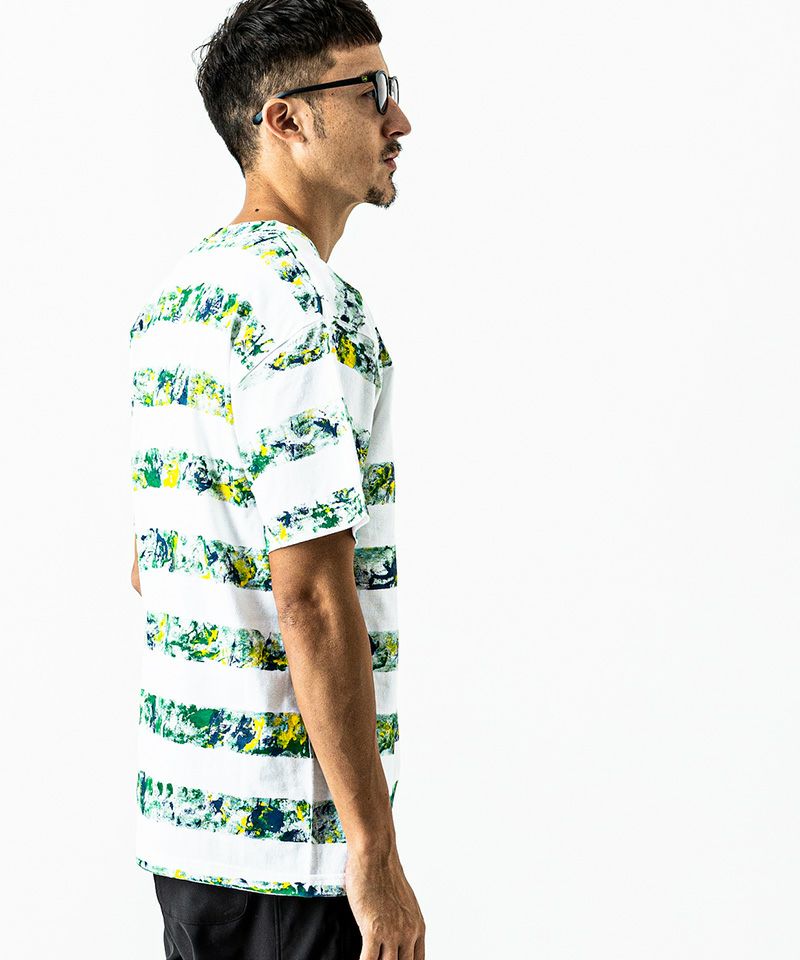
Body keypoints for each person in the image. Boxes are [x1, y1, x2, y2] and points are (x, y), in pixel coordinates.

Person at [128, 1, 422, 957]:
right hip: (291, 850)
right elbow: (311, 597)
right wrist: (373, 854)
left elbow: (153, 564)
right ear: (286, 119)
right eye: (372, 91)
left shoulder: (179, 303)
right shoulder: (306, 311)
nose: (400, 119)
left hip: (189, 833)